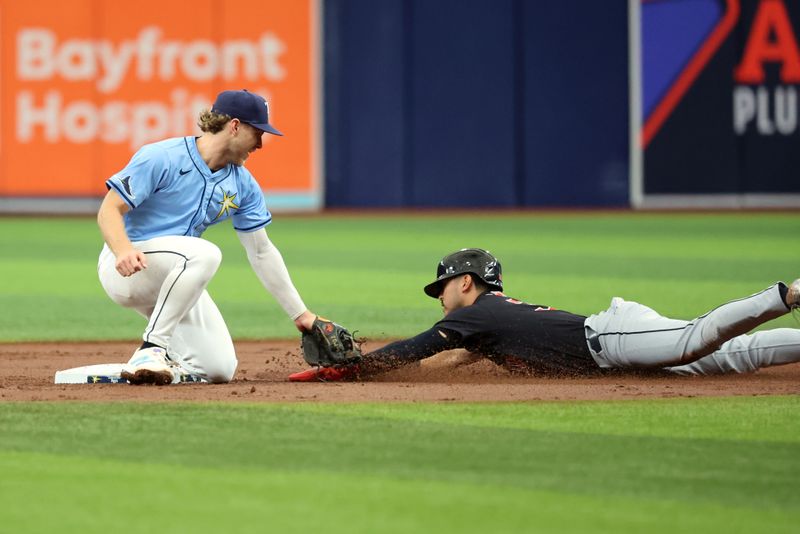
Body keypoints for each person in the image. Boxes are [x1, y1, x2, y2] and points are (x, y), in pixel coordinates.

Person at [289, 248, 800, 381]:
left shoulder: (475, 314)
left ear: (465, 283)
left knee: (697, 340)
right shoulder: (486, 321)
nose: (439, 296)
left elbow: (415, 348)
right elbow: (432, 365)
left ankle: (791, 293)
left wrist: (356, 367)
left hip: (613, 339)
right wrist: (380, 372)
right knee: (731, 358)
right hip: (618, 344)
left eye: (441, 286)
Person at [98, 89, 321, 385]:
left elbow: (262, 252)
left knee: (218, 368)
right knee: (205, 253)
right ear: (235, 126)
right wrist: (123, 249)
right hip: (128, 268)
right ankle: (151, 350)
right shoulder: (162, 157)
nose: (260, 144)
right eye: (258, 133)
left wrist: (300, 314)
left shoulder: (243, 184)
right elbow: (109, 208)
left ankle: (154, 365)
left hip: (179, 275)